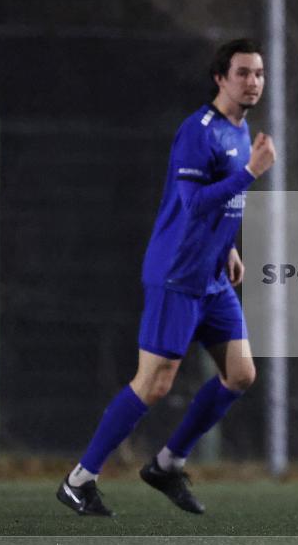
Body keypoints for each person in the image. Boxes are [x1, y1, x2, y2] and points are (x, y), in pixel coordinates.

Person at [57, 38, 276, 516]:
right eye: (242, 73)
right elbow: (194, 202)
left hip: (212, 277)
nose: (253, 81)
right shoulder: (198, 132)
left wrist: (230, 247)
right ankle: (80, 480)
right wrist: (251, 174)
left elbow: (219, 206)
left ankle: (166, 464)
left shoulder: (240, 131)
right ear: (220, 78)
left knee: (240, 374)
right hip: (177, 274)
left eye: (258, 73)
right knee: (153, 384)